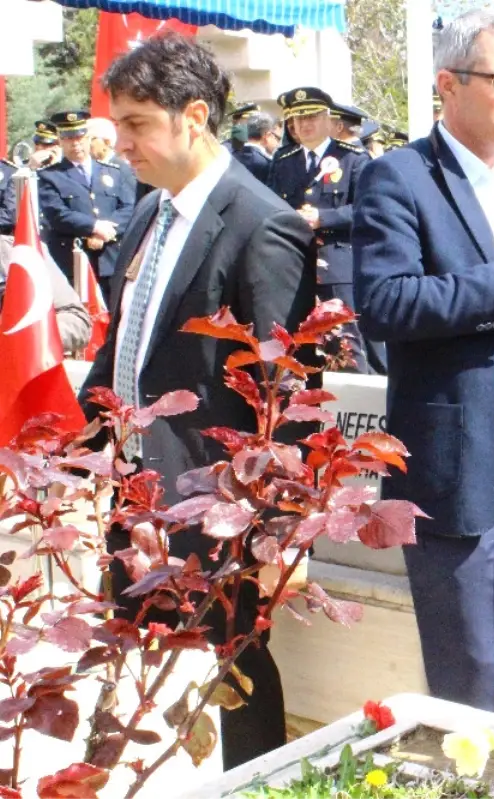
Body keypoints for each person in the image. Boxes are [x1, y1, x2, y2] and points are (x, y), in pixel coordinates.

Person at [79, 32, 317, 771]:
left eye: (136, 124)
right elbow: (129, 349)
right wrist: (78, 448)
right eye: (116, 124)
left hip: (216, 509)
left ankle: (255, 782)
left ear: (193, 116)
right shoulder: (152, 214)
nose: (121, 143)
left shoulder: (261, 223)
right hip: (136, 500)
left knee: (230, 669)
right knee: (145, 677)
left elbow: (285, 390)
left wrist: (280, 527)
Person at [353, 8, 494, 718]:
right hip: (455, 463)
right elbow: (385, 303)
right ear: (447, 83)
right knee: (468, 678)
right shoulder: (399, 177)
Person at [268, 86, 383, 375]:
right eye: (297, 119)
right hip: (294, 264)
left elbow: (370, 210)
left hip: (338, 264)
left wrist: (324, 217)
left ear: (329, 119)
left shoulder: (353, 158)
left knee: (345, 344)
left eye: (312, 117)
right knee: (298, 345)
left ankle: (355, 411)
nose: (304, 125)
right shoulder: (283, 161)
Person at [38, 110, 135, 297]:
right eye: (68, 138)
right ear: (60, 140)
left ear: (89, 138)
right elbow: (57, 213)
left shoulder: (113, 172)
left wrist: (105, 234)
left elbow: (128, 207)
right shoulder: (50, 176)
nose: (75, 144)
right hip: (73, 261)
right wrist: (93, 227)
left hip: (111, 259)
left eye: (80, 137)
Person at [233, 111, 278, 184]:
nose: (277, 142)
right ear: (267, 135)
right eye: (276, 137)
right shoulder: (268, 164)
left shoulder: (231, 156)